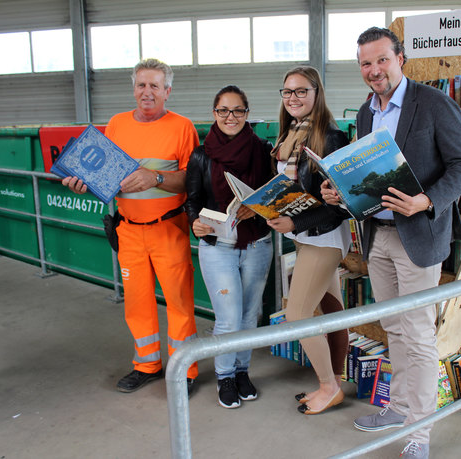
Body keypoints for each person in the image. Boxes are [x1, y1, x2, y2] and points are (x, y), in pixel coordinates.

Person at [321, 28, 461, 458]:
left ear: (400, 58)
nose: (374, 70)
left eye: (381, 60)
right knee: (394, 328)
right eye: (366, 64)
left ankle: (419, 434)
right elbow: (370, 175)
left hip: (418, 237)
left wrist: (426, 200)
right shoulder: (367, 115)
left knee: (419, 335)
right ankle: (400, 408)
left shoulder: (432, 104)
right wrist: (340, 189)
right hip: (378, 236)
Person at [62, 58, 200, 396]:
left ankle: (185, 370)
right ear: (133, 89)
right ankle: (146, 365)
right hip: (128, 231)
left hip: (169, 228)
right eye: (141, 85)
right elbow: (103, 175)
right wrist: (82, 183)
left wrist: (155, 177)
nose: (147, 92)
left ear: (167, 91)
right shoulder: (116, 124)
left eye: (155, 86)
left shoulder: (183, 128)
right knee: (136, 303)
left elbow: (192, 180)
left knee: (179, 303)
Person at [267, 66, 350, 415]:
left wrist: (294, 220)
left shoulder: (331, 138)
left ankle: (329, 388)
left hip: (324, 237)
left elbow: (339, 208)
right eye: (288, 92)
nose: (293, 98)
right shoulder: (289, 135)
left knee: (298, 314)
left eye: (302, 91)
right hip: (304, 237)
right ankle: (338, 377)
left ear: (317, 93)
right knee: (331, 307)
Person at [185, 85, 273, 409]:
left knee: (251, 314)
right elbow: (191, 201)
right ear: (214, 114)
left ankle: (241, 371)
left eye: (237, 110)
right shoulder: (200, 154)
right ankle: (224, 376)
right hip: (217, 246)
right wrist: (195, 222)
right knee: (228, 318)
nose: (230, 117)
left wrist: (259, 207)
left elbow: (274, 196)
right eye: (224, 110)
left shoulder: (263, 150)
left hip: (257, 244)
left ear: (247, 114)